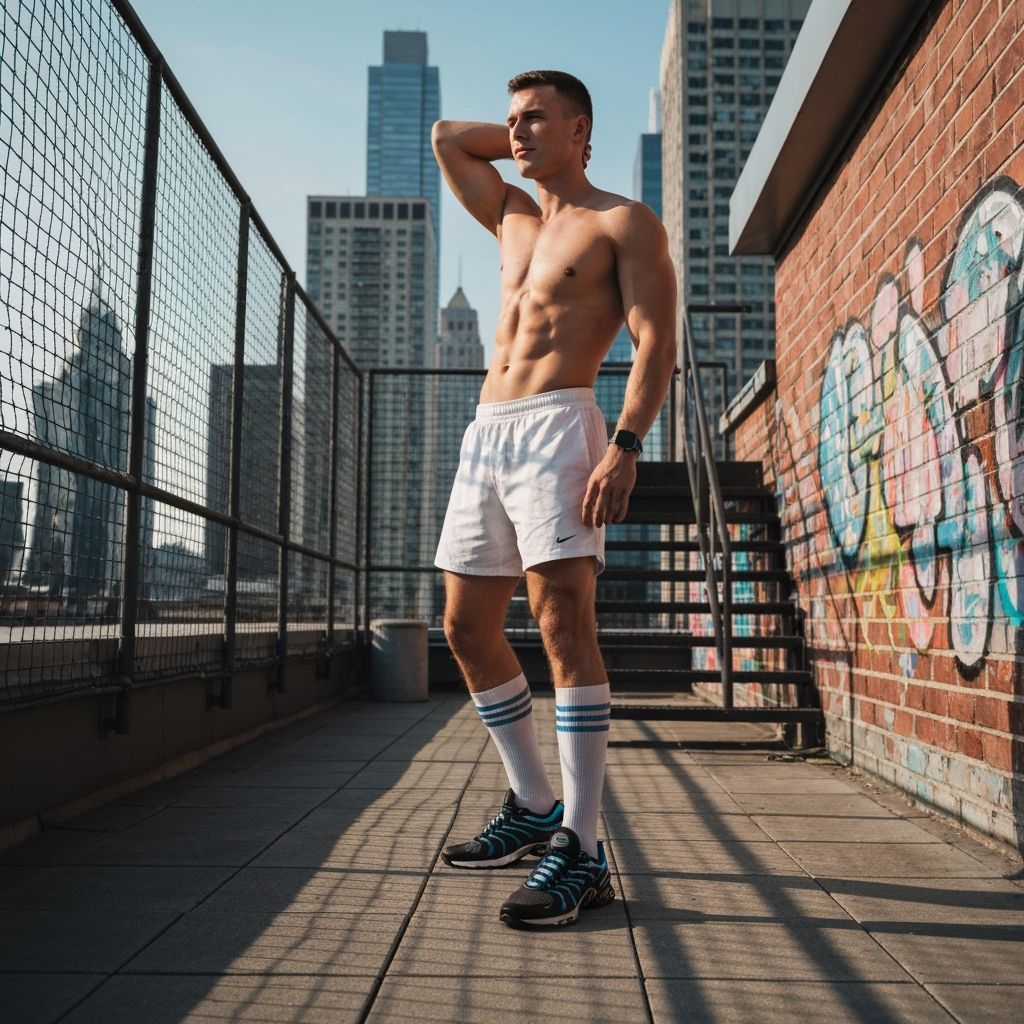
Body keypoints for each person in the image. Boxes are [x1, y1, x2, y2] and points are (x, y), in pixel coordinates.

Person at [432, 69, 677, 928]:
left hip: (564, 427)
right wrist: (523, 145)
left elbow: (655, 344)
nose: (517, 132)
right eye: (511, 120)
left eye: (536, 119)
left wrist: (626, 445)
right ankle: (533, 802)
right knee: (466, 626)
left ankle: (582, 844)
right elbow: (444, 137)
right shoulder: (510, 215)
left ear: (583, 128)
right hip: (486, 433)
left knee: (562, 621)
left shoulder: (622, 222)